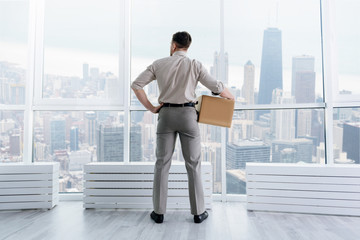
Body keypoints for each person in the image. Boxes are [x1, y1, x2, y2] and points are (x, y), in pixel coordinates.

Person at [131, 31, 234, 224]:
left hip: (166, 115)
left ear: (173, 45)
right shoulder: (195, 64)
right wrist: (231, 98)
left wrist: (152, 107)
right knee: (193, 165)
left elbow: (136, 85)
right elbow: (217, 87)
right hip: (188, 116)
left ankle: (159, 213)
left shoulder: (159, 64)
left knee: (162, 164)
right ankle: (198, 213)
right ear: (188, 46)